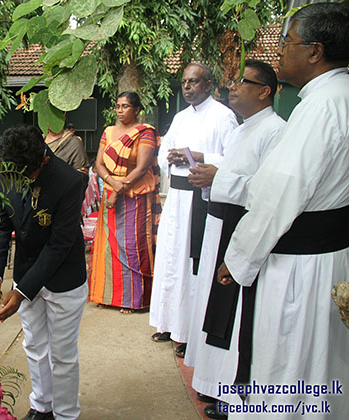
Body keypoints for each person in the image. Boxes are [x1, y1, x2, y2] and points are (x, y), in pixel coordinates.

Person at [218, 4, 349, 419]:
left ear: (315, 52)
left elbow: (279, 194)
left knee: (289, 366)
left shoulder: (320, 107)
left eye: (286, 43)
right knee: (322, 366)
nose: (280, 53)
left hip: (300, 269)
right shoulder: (339, 96)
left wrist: (237, 258)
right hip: (331, 258)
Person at [182, 60, 285, 419]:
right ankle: (213, 384)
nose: (234, 85)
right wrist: (211, 178)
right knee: (214, 306)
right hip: (218, 225)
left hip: (240, 229)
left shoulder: (275, 131)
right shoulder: (243, 129)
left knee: (236, 315)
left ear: (264, 91)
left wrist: (219, 177)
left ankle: (234, 395)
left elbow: (268, 189)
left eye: (244, 81)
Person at [0, 125, 88, 420]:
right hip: (26, 270)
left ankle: (66, 413)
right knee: (34, 345)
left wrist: (20, 291)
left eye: (25, 176)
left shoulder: (69, 182)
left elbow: (60, 244)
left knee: (62, 353)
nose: (17, 181)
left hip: (63, 278)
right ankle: (42, 406)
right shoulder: (5, 173)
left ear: (42, 160)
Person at [149, 63, 238, 358]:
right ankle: (166, 322)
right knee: (171, 259)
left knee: (190, 265)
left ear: (209, 84)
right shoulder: (180, 117)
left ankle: (187, 331)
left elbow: (235, 159)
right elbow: (164, 152)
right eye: (185, 82)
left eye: (194, 82)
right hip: (176, 198)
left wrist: (202, 157)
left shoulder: (224, 117)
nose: (187, 87)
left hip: (201, 200)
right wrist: (171, 156)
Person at [89, 91, 161, 313]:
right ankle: (107, 295)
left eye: (126, 106)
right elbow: (98, 163)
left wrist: (119, 190)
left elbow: (141, 168)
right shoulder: (109, 132)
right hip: (111, 191)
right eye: (118, 106)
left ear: (137, 109)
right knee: (108, 244)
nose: (120, 111)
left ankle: (132, 299)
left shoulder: (145, 132)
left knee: (132, 245)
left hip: (135, 195)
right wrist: (111, 182)